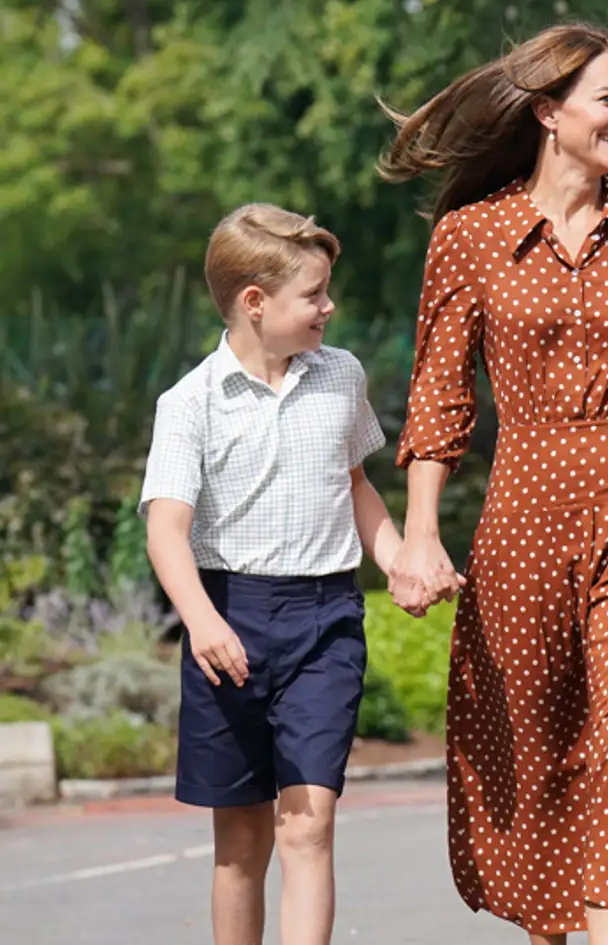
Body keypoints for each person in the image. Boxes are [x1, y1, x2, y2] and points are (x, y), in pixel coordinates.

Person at [376, 22, 608, 945]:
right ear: (549, 112)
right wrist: (420, 532)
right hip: (521, 520)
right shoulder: (470, 238)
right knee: (538, 759)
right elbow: (437, 399)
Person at [140, 202, 410, 945]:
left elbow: (354, 484)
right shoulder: (190, 403)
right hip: (227, 616)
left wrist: (397, 559)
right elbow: (166, 526)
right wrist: (201, 620)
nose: (330, 306)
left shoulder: (340, 375)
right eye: (314, 294)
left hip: (326, 620)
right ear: (255, 303)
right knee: (241, 847)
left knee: (309, 823)